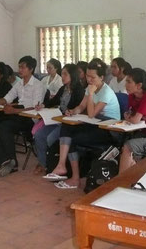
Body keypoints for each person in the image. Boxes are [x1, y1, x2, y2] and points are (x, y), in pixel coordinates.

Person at [46, 59, 120, 189]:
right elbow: (81, 106)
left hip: (109, 129)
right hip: (95, 124)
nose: (89, 79)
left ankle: (75, 178)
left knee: (73, 139)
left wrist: (91, 94)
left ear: (102, 77)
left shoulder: (106, 92)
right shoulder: (89, 88)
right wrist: (73, 112)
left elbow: (91, 113)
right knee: (66, 125)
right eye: (87, 76)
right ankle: (61, 165)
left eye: (93, 77)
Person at [0, 56, 46, 177]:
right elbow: (9, 97)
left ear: (31, 69)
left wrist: (13, 110)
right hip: (18, 113)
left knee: (4, 126)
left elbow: (35, 107)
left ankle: (12, 162)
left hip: (29, 118)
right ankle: (4, 160)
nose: (20, 69)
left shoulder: (38, 85)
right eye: (19, 66)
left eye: (22, 67)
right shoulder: (19, 84)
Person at [33, 64, 85, 174]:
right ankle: (43, 164)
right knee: (38, 135)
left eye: (65, 74)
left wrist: (69, 112)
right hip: (58, 119)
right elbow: (54, 101)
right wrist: (42, 105)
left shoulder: (79, 90)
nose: (63, 76)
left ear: (73, 75)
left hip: (68, 123)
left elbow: (79, 108)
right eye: (62, 74)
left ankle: (54, 164)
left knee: (50, 138)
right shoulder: (63, 88)